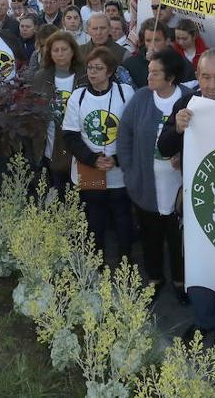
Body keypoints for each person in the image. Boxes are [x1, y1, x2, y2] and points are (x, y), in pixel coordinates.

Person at [155, 49, 215, 352]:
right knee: (197, 261)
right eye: (205, 77)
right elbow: (164, 145)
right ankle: (202, 320)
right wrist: (178, 128)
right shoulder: (187, 103)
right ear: (197, 77)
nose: (212, 85)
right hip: (198, 199)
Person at [117, 49, 192, 303]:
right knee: (151, 238)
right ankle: (155, 279)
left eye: (155, 73)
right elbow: (125, 135)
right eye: (149, 72)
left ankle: (181, 282)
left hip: (180, 189)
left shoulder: (190, 101)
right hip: (147, 187)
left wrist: (183, 154)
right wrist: (129, 170)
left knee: (178, 240)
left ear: (170, 77)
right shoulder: (141, 99)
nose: (149, 77)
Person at [62, 47, 135, 264]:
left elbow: (133, 133)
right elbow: (70, 135)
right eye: (90, 67)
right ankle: (96, 262)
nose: (92, 73)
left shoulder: (125, 93)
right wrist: (93, 159)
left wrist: (117, 160)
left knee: (123, 218)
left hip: (118, 172)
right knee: (94, 220)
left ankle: (126, 262)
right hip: (90, 171)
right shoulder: (79, 96)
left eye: (98, 68)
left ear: (110, 71)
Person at [31, 31, 86, 193]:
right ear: (49, 52)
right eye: (56, 50)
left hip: (79, 146)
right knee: (57, 191)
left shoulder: (85, 75)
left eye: (64, 49)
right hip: (50, 143)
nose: (60, 54)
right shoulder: (41, 77)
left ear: (73, 51)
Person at [123, 20, 193, 89]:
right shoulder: (130, 65)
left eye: (157, 40)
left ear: (167, 41)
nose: (152, 45)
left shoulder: (183, 65)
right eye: (148, 40)